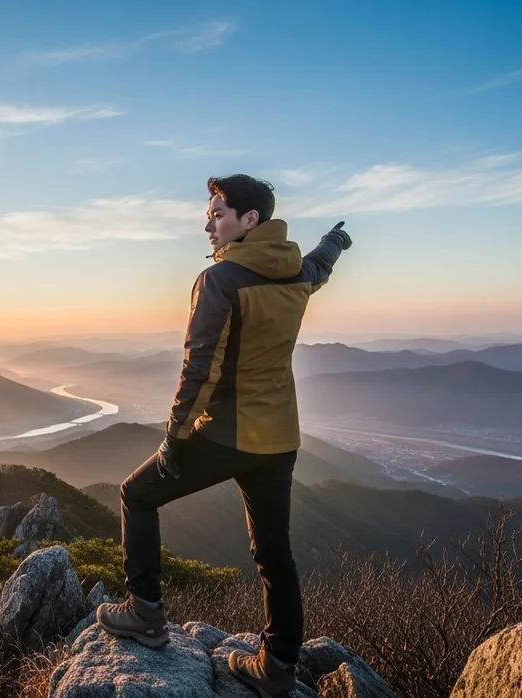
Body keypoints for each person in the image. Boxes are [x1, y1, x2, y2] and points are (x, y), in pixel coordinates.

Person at [96, 174, 352, 697]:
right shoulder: (294, 271)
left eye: (217, 213)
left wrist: (175, 437)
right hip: (279, 437)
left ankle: (145, 611)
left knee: (137, 493)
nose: (207, 223)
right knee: (274, 552)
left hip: (226, 434)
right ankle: (279, 667)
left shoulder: (220, 281)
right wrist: (334, 243)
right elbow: (318, 267)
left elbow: (200, 369)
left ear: (249, 220)